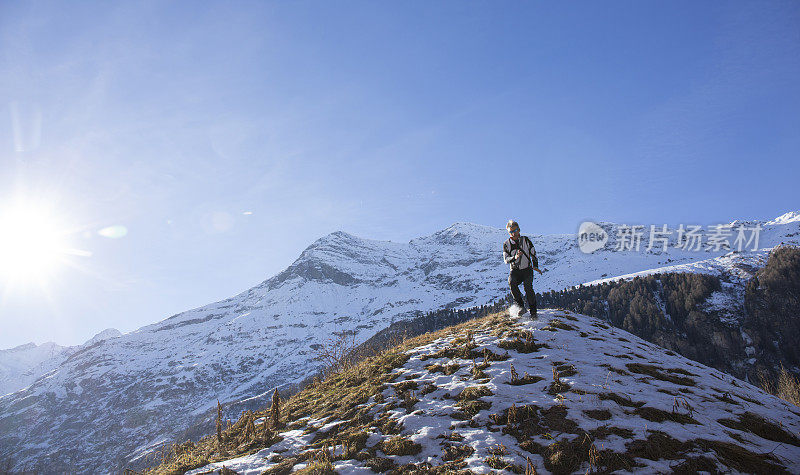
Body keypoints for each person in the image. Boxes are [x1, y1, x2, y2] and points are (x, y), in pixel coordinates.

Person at [503, 219, 543, 317]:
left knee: (528, 288)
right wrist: (515, 257)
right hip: (515, 270)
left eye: (515, 230)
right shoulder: (506, 244)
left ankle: (533, 311)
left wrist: (535, 266)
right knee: (512, 283)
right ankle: (520, 307)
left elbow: (533, 253)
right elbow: (506, 260)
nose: (514, 233)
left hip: (527, 269)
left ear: (519, 230)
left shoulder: (526, 240)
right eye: (511, 232)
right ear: (509, 233)